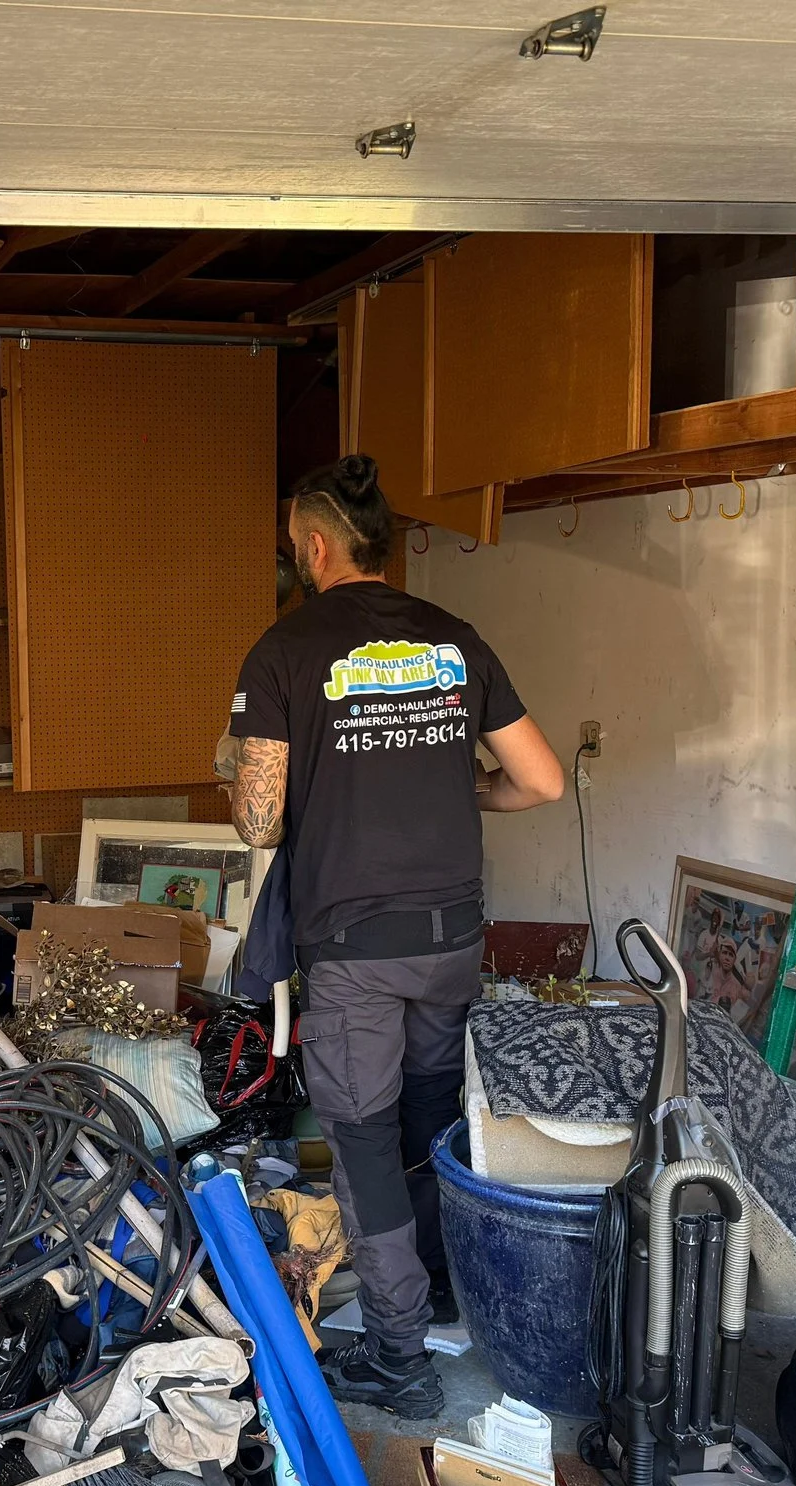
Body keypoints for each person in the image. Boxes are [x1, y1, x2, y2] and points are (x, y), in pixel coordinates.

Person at [228, 457, 567, 1418]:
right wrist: (471, 790)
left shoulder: (285, 651)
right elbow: (539, 780)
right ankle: (451, 1283)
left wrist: (242, 770)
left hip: (358, 948)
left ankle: (398, 1353)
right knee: (429, 1116)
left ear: (319, 545)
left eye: (295, 543)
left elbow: (258, 821)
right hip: (454, 933)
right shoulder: (455, 640)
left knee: (366, 1139)